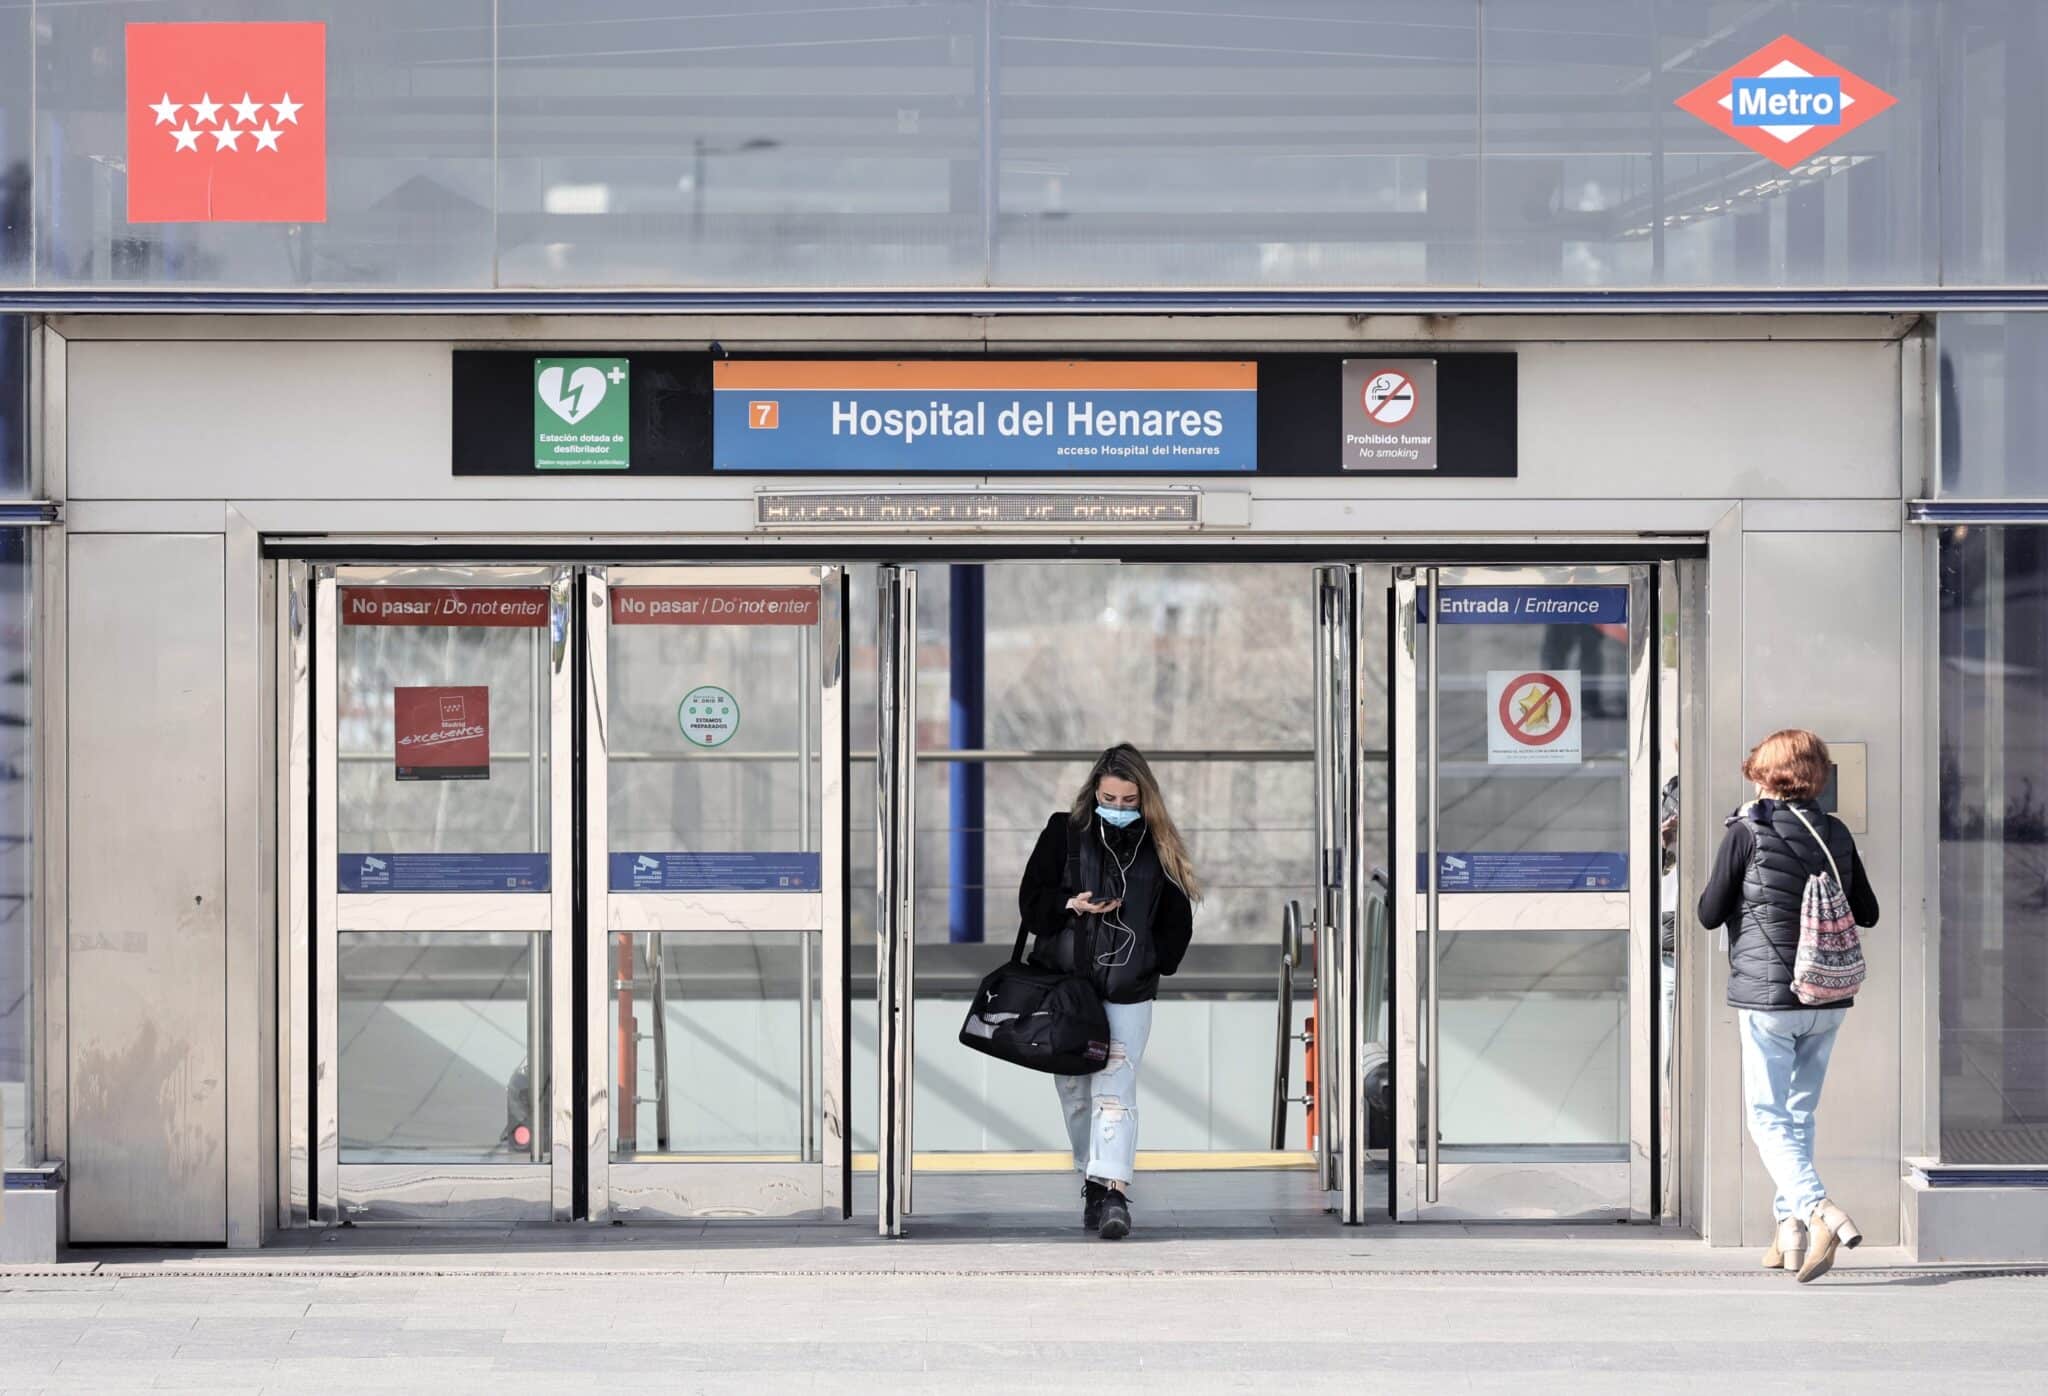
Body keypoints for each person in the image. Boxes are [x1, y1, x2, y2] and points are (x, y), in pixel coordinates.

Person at [1697, 729, 1879, 1282]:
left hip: (1770, 997)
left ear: (1762, 773)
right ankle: (1789, 1232)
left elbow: (1708, 913)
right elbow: (1866, 912)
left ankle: (1821, 1210)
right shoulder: (1837, 832)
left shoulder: (1746, 830)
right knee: (1798, 1114)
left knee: (1767, 1116)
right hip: (1828, 997)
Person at [1017, 744, 1199, 1240]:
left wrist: (1156, 963)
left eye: (1127, 800)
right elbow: (1031, 904)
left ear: (1145, 799)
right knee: (1076, 1091)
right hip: (1068, 990)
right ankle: (1094, 1181)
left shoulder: (1157, 842)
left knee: (1114, 1093)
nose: (1117, 808)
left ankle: (1114, 1191)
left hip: (1128, 989)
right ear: (1093, 791)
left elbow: (1177, 912)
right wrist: (1070, 904)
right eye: (1109, 797)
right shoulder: (1065, 832)